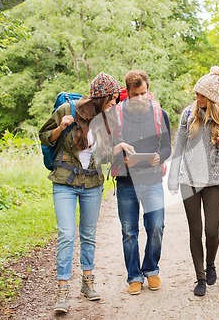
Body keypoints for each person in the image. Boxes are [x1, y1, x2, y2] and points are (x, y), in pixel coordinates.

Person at [39, 72, 129, 313]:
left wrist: (119, 148)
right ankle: (62, 291)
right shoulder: (68, 109)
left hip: (92, 183)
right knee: (67, 234)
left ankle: (87, 284)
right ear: (101, 97)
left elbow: (104, 155)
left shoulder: (108, 119)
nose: (114, 102)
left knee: (88, 234)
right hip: (64, 181)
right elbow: (45, 137)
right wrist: (61, 127)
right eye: (112, 98)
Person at [168, 66, 219, 297]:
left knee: (212, 231)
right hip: (189, 180)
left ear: (212, 97)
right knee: (195, 231)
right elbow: (178, 148)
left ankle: (211, 263)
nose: (198, 99)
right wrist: (173, 179)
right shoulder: (188, 114)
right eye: (197, 94)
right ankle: (200, 277)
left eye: (203, 95)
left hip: (213, 180)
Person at [112, 70, 171, 296]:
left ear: (148, 89)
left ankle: (151, 268)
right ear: (127, 93)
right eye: (135, 94)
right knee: (129, 231)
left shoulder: (159, 114)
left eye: (143, 93)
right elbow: (108, 149)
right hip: (126, 181)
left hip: (153, 179)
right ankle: (134, 276)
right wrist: (121, 157)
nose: (139, 98)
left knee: (156, 226)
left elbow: (167, 146)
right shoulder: (116, 115)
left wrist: (160, 157)